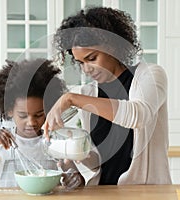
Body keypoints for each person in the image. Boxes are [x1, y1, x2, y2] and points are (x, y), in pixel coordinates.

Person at [44, 6, 172, 185]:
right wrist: (78, 165)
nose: (86, 69)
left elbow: (139, 115)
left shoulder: (150, 75)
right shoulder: (89, 93)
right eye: (80, 62)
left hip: (146, 193)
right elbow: (100, 160)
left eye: (92, 58)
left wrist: (70, 98)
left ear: (113, 47)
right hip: (102, 193)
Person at [0, 58, 85, 188]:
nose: (31, 122)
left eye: (39, 115)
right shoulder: (4, 140)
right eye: (23, 115)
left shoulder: (56, 141)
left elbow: (78, 181)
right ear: (10, 110)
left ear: (49, 110)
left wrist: (75, 179)